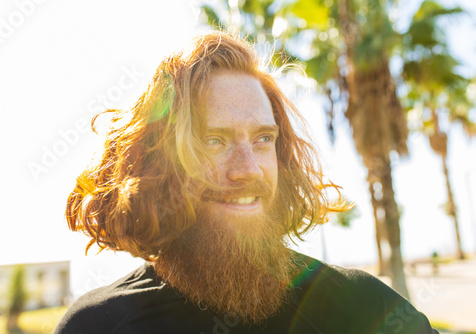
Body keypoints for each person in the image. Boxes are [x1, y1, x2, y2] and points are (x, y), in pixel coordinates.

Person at [54, 32, 438, 334]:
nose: (249, 169)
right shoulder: (98, 326)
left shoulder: (362, 311)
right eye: (213, 140)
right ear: (155, 165)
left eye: (263, 139)